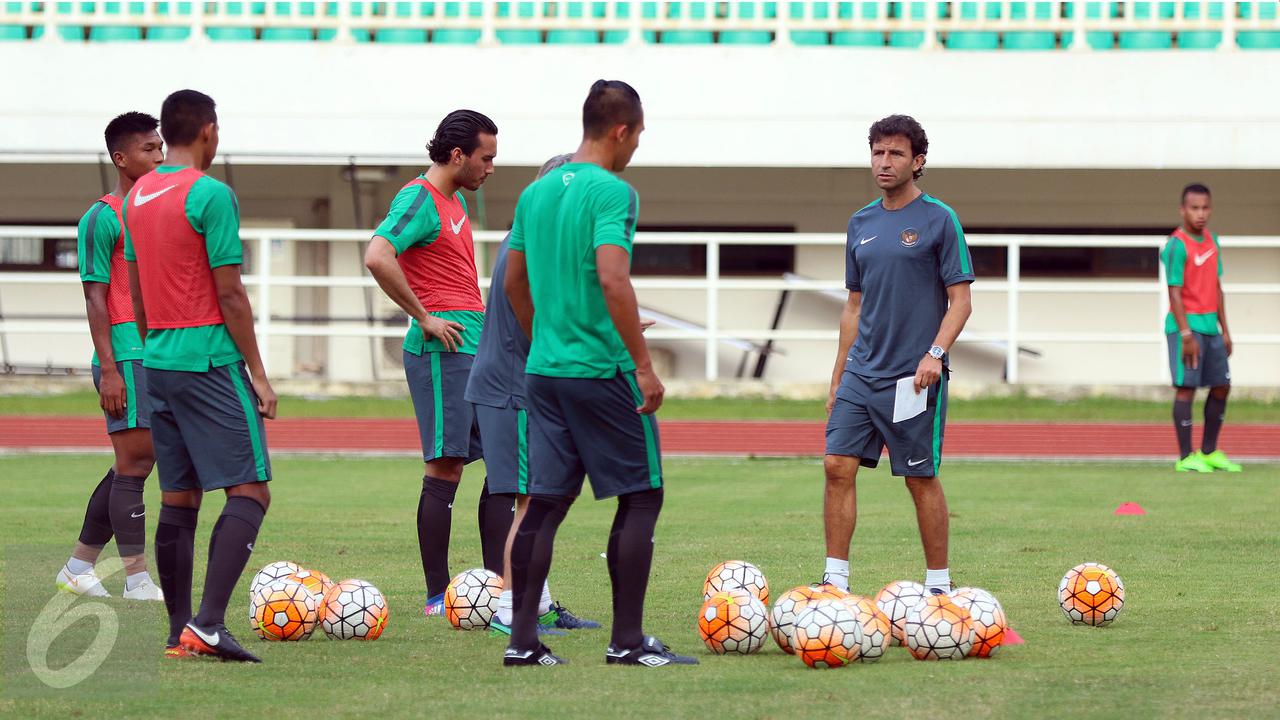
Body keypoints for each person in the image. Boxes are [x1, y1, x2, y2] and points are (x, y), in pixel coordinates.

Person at [502, 80, 695, 667]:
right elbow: (613, 278)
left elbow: (514, 283)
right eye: (637, 135)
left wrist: (548, 340)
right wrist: (642, 365)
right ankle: (627, 642)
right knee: (641, 497)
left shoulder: (534, 194)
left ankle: (523, 644)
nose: (636, 145)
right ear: (621, 130)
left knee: (544, 503)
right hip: (601, 371)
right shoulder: (615, 193)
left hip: (546, 371)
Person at [124, 89, 276, 662]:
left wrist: (154, 341)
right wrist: (258, 373)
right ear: (209, 131)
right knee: (251, 489)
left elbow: (135, 290)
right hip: (208, 360)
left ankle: (178, 630)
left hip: (157, 358)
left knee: (180, 497)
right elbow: (230, 292)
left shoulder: (138, 194)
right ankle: (209, 626)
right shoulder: (211, 193)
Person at [822, 114, 974, 597]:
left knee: (919, 479)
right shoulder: (860, 222)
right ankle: (835, 582)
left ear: (918, 161)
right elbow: (854, 305)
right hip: (861, 375)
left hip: (912, 380)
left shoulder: (939, 219)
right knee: (836, 466)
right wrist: (838, 374)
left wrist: (934, 354)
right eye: (877, 152)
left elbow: (962, 300)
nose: (884, 162)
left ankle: (938, 586)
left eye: (895, 154)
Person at [363, 110, 497, 617]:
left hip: (475, 348)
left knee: (505, 466)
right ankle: (439, 596)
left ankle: (497, 588)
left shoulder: (455, 201)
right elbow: (378, 255)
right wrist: (424, 317)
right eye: (485, 158)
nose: (490, 168)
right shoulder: (418, 199)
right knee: (446, 468)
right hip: (443, 352)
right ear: (457, 155)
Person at [465, 153, 602, 637]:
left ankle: (536, 603)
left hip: (510, 384)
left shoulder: (526, 238)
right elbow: (548, 317)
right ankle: (509, 610)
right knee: (530, 502)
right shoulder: (537, 241)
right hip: (512, 387)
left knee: (535, 498)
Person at [57, 111, 165, 602]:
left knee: (133, 462)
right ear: (120, 158)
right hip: (124, 354)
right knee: (137, 464)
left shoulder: (157, 211)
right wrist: (110, 370)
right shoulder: (102, 217)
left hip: (159, 352)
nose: (159, 155)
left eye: (161, 146)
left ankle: (79, 566)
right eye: (148, 148)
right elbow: (95, 296)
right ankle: (137, 580)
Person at [1162, 184, 1241, 473]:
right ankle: (1185, 457)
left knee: (1222, 385)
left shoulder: (1212, 241)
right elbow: (1174, 292)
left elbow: (1217, 287)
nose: (1201, 213)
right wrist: (1185, 334)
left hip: (1211, 328)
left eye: (1205, 207)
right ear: (1183, 210)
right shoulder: (1175, 245)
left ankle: (1208, 451)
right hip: (1187, 328)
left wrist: (1226, 330)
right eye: (1195, 208)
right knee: (1187, 388)